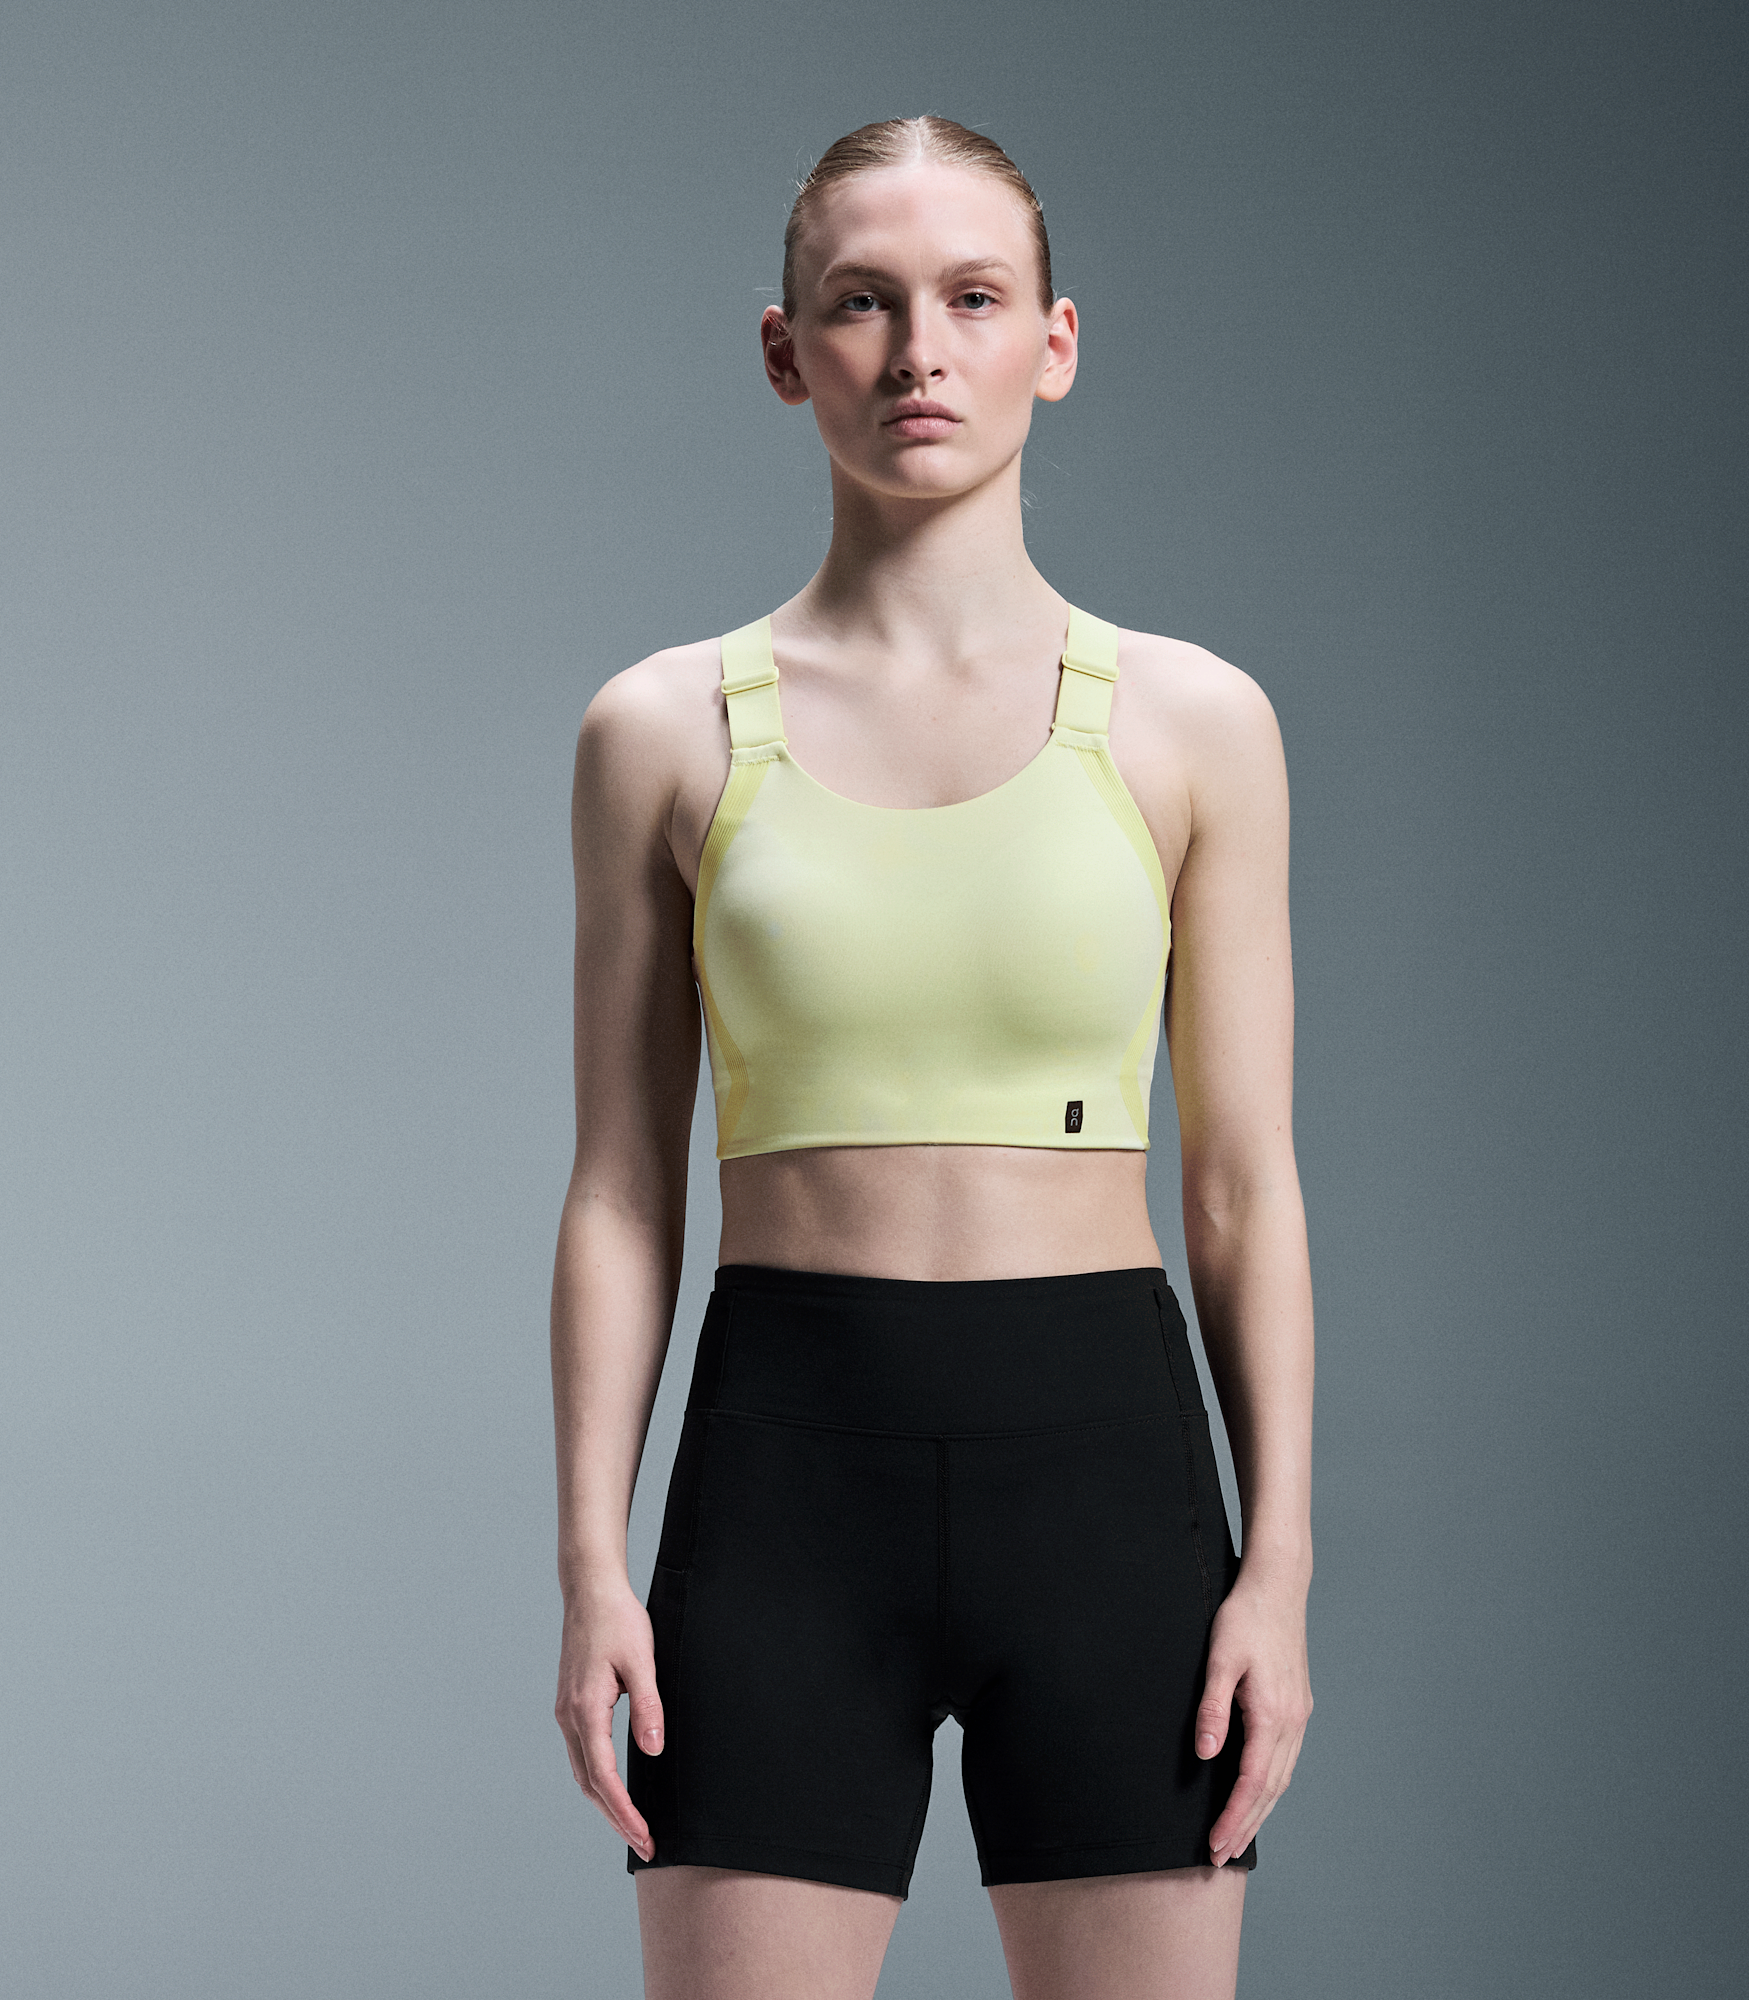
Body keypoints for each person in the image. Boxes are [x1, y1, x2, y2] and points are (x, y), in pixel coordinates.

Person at [550, 115, 1315, 2000]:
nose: (919, 354)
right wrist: (590, 1565)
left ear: (1056, 341)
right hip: (783, 1485)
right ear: (783, 349)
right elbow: (624, 1188)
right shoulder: (663, 731)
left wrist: (1280, 1565)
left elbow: (1238, 1184)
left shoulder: (1193, 723)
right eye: (861, 303)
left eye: (973, 299)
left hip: (1109, 1486)